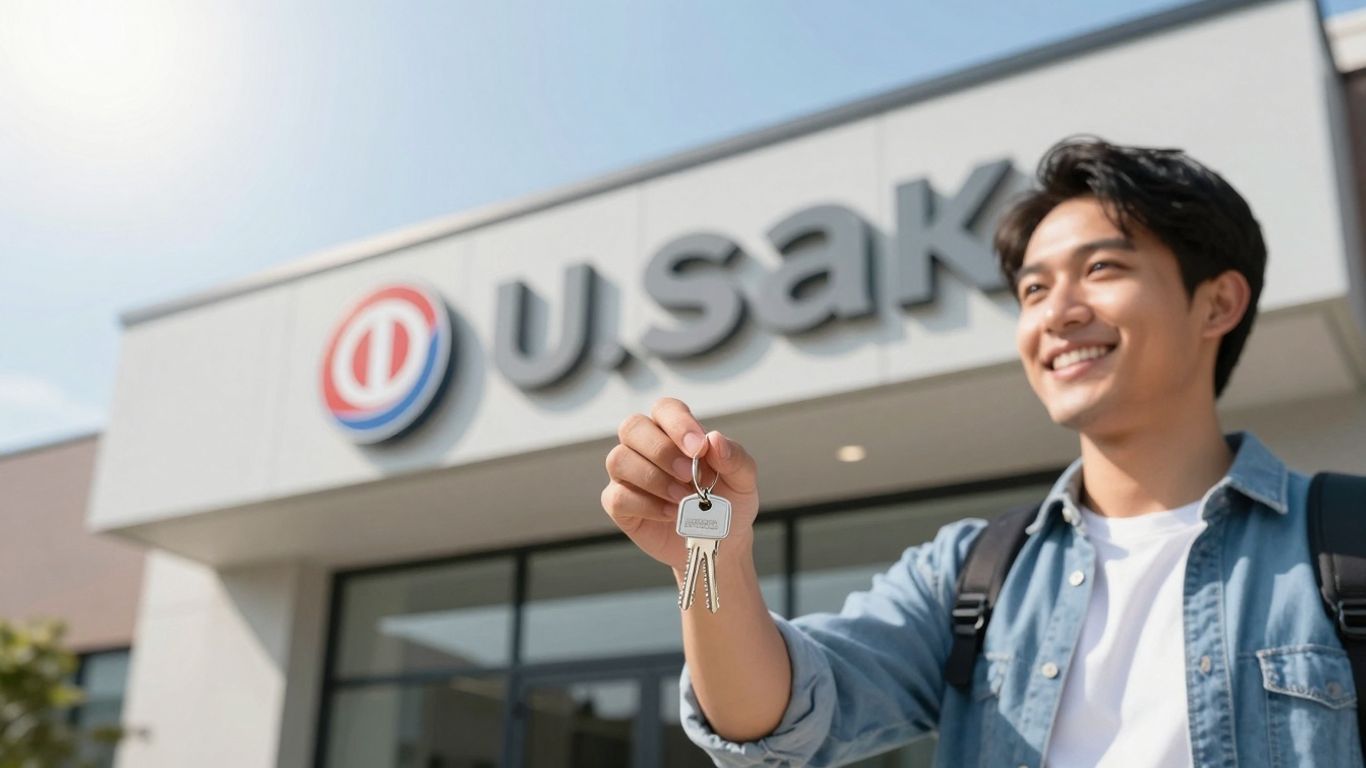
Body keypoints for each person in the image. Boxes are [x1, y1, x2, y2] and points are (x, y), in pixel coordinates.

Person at [600, 137, 1364, 767]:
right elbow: (771, 721)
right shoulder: (971, 575)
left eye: (1101, 268)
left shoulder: (1345, 545)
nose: (1057, 313)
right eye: (1033, 290)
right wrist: (709, 559)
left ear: (1218, 302)